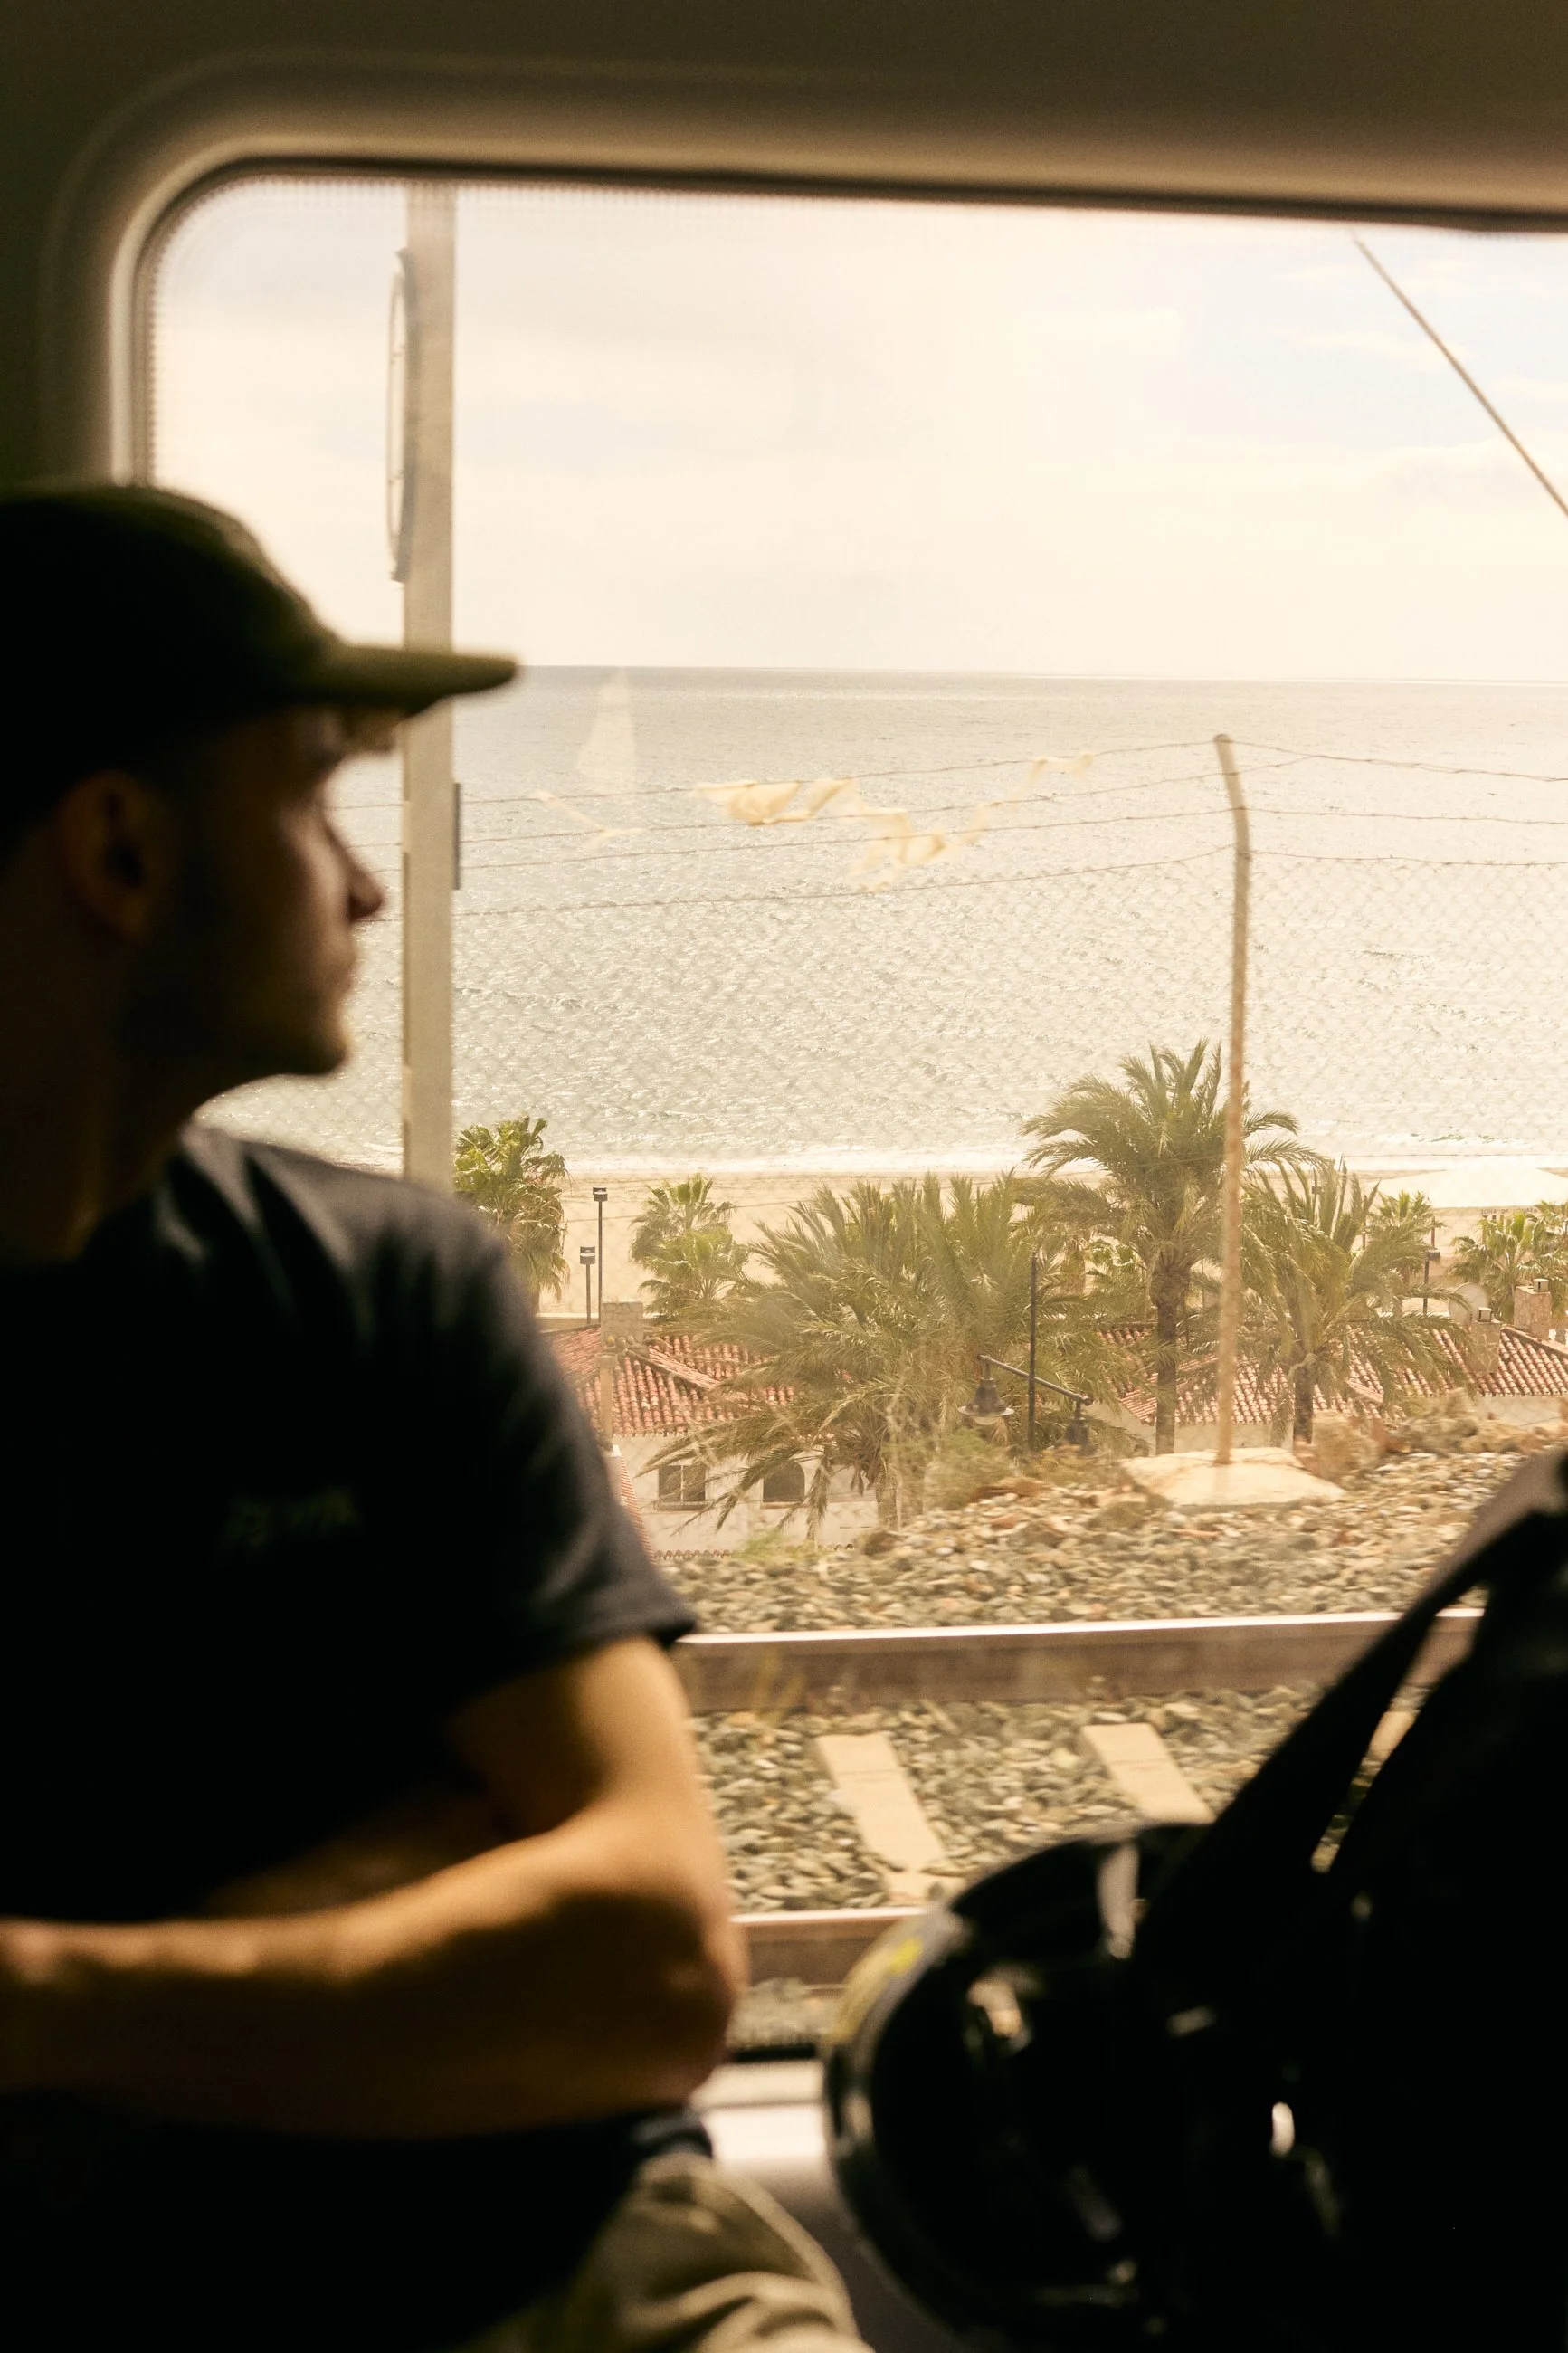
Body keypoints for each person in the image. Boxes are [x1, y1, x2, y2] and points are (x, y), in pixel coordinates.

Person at [0, 486, 862, 2353]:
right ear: (122, 851)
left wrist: (38, 2001)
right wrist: (383, 1875)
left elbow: (641, 1962)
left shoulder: (388, 1288)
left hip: (576, 2272)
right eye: (312, 802)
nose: (368, 881)